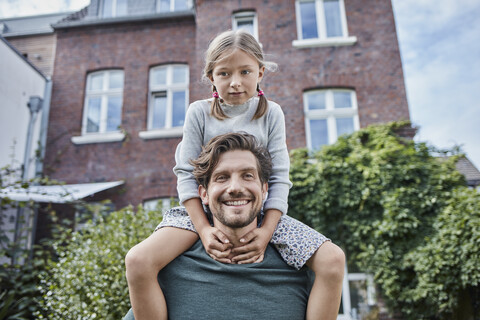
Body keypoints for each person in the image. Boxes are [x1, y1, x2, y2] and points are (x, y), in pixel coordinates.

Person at [125, 30, 345, 320]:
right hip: (197, 211)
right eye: (225, 73)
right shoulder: (198, 112)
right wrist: (203, 229)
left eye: (245, 71)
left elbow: (279, 176)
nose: (236, 82)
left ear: (261, 72)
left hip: (263, 212)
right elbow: (185, 173)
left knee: (333, 259)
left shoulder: (272, 113)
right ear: (211, 76)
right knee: (138, 259)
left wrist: (266, 231)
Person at [123, 132, 318, 319]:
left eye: (248, 176)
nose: (235, 188)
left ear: (265, 189)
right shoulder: (167, 270)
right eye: (222, 177)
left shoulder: (302, 269)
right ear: (203, 194)